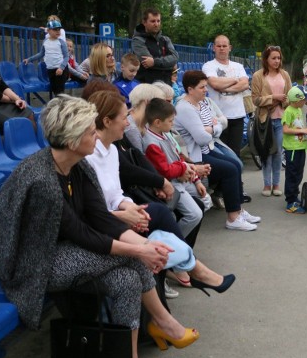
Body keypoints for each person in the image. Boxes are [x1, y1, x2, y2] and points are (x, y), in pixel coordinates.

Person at [0, 95, 199, 358]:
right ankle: (162, 322)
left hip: (68, 252)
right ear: (72, 140)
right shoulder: (40, 178)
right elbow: (82, 233)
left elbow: (101, 218)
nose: (95, 135)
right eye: (89, 131)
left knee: (127, 281)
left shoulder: (78, 166)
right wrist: (140, 249)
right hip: (36, 264)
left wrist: (142, 245)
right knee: (134, 259)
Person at [85, 90, 235, 296]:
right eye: (122, 118)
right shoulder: (89, 156)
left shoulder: (111, 150)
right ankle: (192, 269)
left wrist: (130, 207)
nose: (127, 123)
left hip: (117, 213)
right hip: (103, 222)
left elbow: (116, 194)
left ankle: (187, 269)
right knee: (165, 216)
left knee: (161, 214)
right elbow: (90, 208)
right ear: (107, 121)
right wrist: (126, 213)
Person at [175, 70, 261, 231]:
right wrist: (213, 128)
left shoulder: (202, 103)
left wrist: (211, 128)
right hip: (195, 157)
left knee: (235, 165)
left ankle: (238, 211)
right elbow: (201, 137)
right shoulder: (184, 108)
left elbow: (220, 123)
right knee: (229, 170)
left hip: (208, 149)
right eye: (202, 87)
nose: (205, 90)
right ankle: (233, 217)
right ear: (190, 89)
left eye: (206, 86)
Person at [142, 98, 205, 239]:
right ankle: (175, 244)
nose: (173, 123)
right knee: (195, 214)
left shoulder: (165, 134)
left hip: (179, 179)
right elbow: (165, 171)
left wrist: (196, 179)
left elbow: (178, 157)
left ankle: (184, 244)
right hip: (171, 184)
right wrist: (183, 167)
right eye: (170, 121)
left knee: (204, 200)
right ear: (158, 122)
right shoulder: (151, 143)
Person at [0, 24, 35, 132]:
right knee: (19, 123)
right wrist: (12, 101)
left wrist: (17, 99)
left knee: (28, 112)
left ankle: (37, 146)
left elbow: (1, 84)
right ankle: (26, 147)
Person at [251, 45, 291, 197]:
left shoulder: (285, 75)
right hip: (265, 120)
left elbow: (289, 97)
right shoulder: (258, 76)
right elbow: (255, 100)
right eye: (273, 58)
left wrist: (284, 100)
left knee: (278, 153)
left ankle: (276, 183)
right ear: (266, 59)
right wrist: (273, 98)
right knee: (266, 152)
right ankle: (267, 184)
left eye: (279, 58)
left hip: (282, 119)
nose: (276, 61)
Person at [202, 35, 250, 158]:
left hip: (237, 116)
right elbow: (214, 83)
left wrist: (224, 87)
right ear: (214, 48)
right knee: (221, 154)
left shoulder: (238, 66)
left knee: (235, 154)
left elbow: (245, 84)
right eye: (219, 46)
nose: (222, 48)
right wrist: (235, 80)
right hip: (218, 117)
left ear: (230, 48)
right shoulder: (209, 66)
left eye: (224, 46)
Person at [282, 86, 307, 214]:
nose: (305, 102)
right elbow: (285, 130)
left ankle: (295, 196)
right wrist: (303, 131)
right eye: (304, 100)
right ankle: (290, 201)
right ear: (296, 100)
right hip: (292, 148)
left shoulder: (299, 110)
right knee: (292, 173)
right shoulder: (289, 111)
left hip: (300, 147)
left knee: (299, 173)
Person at [132, 8, 178, 85]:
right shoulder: (138, 40)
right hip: (147, 86)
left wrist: (154, 62)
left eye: (158, 21)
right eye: (153, 21)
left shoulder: (165, 39)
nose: (156, 24)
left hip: (167, 85)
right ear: (144, 22)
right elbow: (147, 64)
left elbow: (175, 57)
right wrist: (170, 65)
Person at [23, 20, 69, 95]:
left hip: (60, 70)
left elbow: (66, 57)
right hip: (50, 70)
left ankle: (61, 106)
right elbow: (41, 53)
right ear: (48, 30)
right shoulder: (45, 41)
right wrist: (29, 59)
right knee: (54, 89)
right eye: (55, 29)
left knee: (59, 92)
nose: (58, 31)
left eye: (59, 29)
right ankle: (58, 105)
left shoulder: (61, 42)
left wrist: (61, 68)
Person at [125, 83, 166, 152]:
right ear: (147, 102)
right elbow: (140, 160)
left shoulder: (145, 124)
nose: (162, 109)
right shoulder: (131, 129)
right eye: (159, 104)